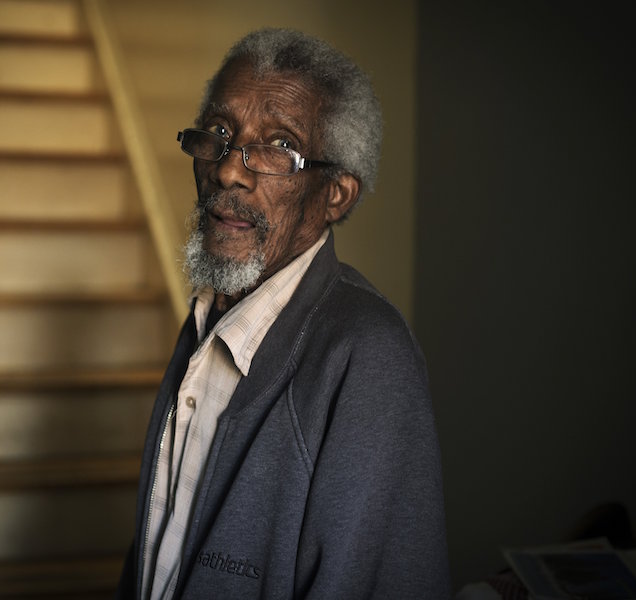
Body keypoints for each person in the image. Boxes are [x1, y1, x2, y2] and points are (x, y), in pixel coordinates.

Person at [117, 28, 450, 599]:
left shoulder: (369, 356)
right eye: (219, 133)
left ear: (335, 195)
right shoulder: (210, 316)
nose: (228, 171)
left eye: (278, 147)